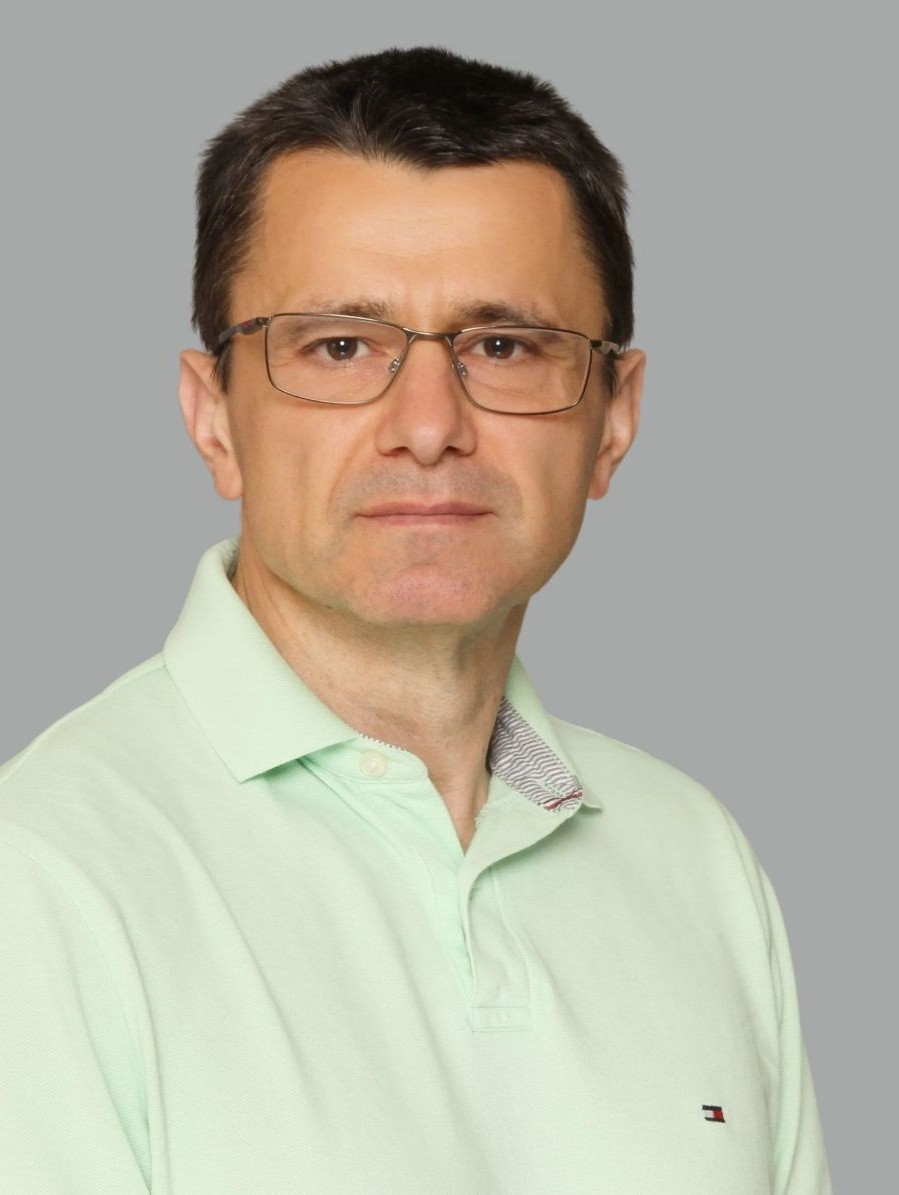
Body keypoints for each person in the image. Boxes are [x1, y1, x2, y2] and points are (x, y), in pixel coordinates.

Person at [0, 46, 831, 1194]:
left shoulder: (695, 862)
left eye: (504, 346)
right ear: (212, 418)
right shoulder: (45, 876)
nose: (429, 424)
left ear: (613, 419)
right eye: (340, 346)